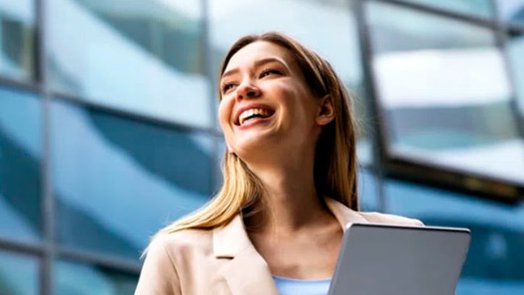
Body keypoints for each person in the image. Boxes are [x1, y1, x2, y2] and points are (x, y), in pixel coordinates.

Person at [134, 32, 422, 295]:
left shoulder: (402, 241)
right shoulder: (178, 254)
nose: (243, 89)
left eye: (268, 72)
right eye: (229, 86)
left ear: (324, 109)